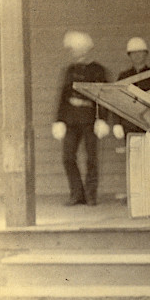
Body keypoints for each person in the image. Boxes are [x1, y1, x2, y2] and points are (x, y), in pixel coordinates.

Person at [51, 31, 109, 206]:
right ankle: (76, 194)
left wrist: (102, 119)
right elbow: (63, 96)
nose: (74, 52)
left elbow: (103, 97)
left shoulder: (98, 70)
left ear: (86, 49)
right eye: (72, 50)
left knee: (91, 158)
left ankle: (91, 195)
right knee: (68, 157)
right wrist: (59, 120)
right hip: (70, 120)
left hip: (90, 119)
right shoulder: (69, 70)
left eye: (77, 49)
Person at [112, 37, 150, 139]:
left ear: (146, 54)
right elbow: (117, 100)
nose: (137, 56)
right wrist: (117, 123)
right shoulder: (124, 76)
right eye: (133, 53)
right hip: (129, 123)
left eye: (140, 52)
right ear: (129, 56)